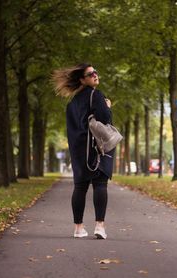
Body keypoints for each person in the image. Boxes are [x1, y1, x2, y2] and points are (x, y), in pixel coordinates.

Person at [52, 63, 115, 239]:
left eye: (95, 72)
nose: (95, 75)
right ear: (82, 79)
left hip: (78, 150)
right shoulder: (96, 95)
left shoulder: (72, 103)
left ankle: (78, 228)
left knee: (80, 187)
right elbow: (105, 119)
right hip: (96, 148)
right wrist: (107, 107)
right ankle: (99, 226)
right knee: (100, 185)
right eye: (90, 74)